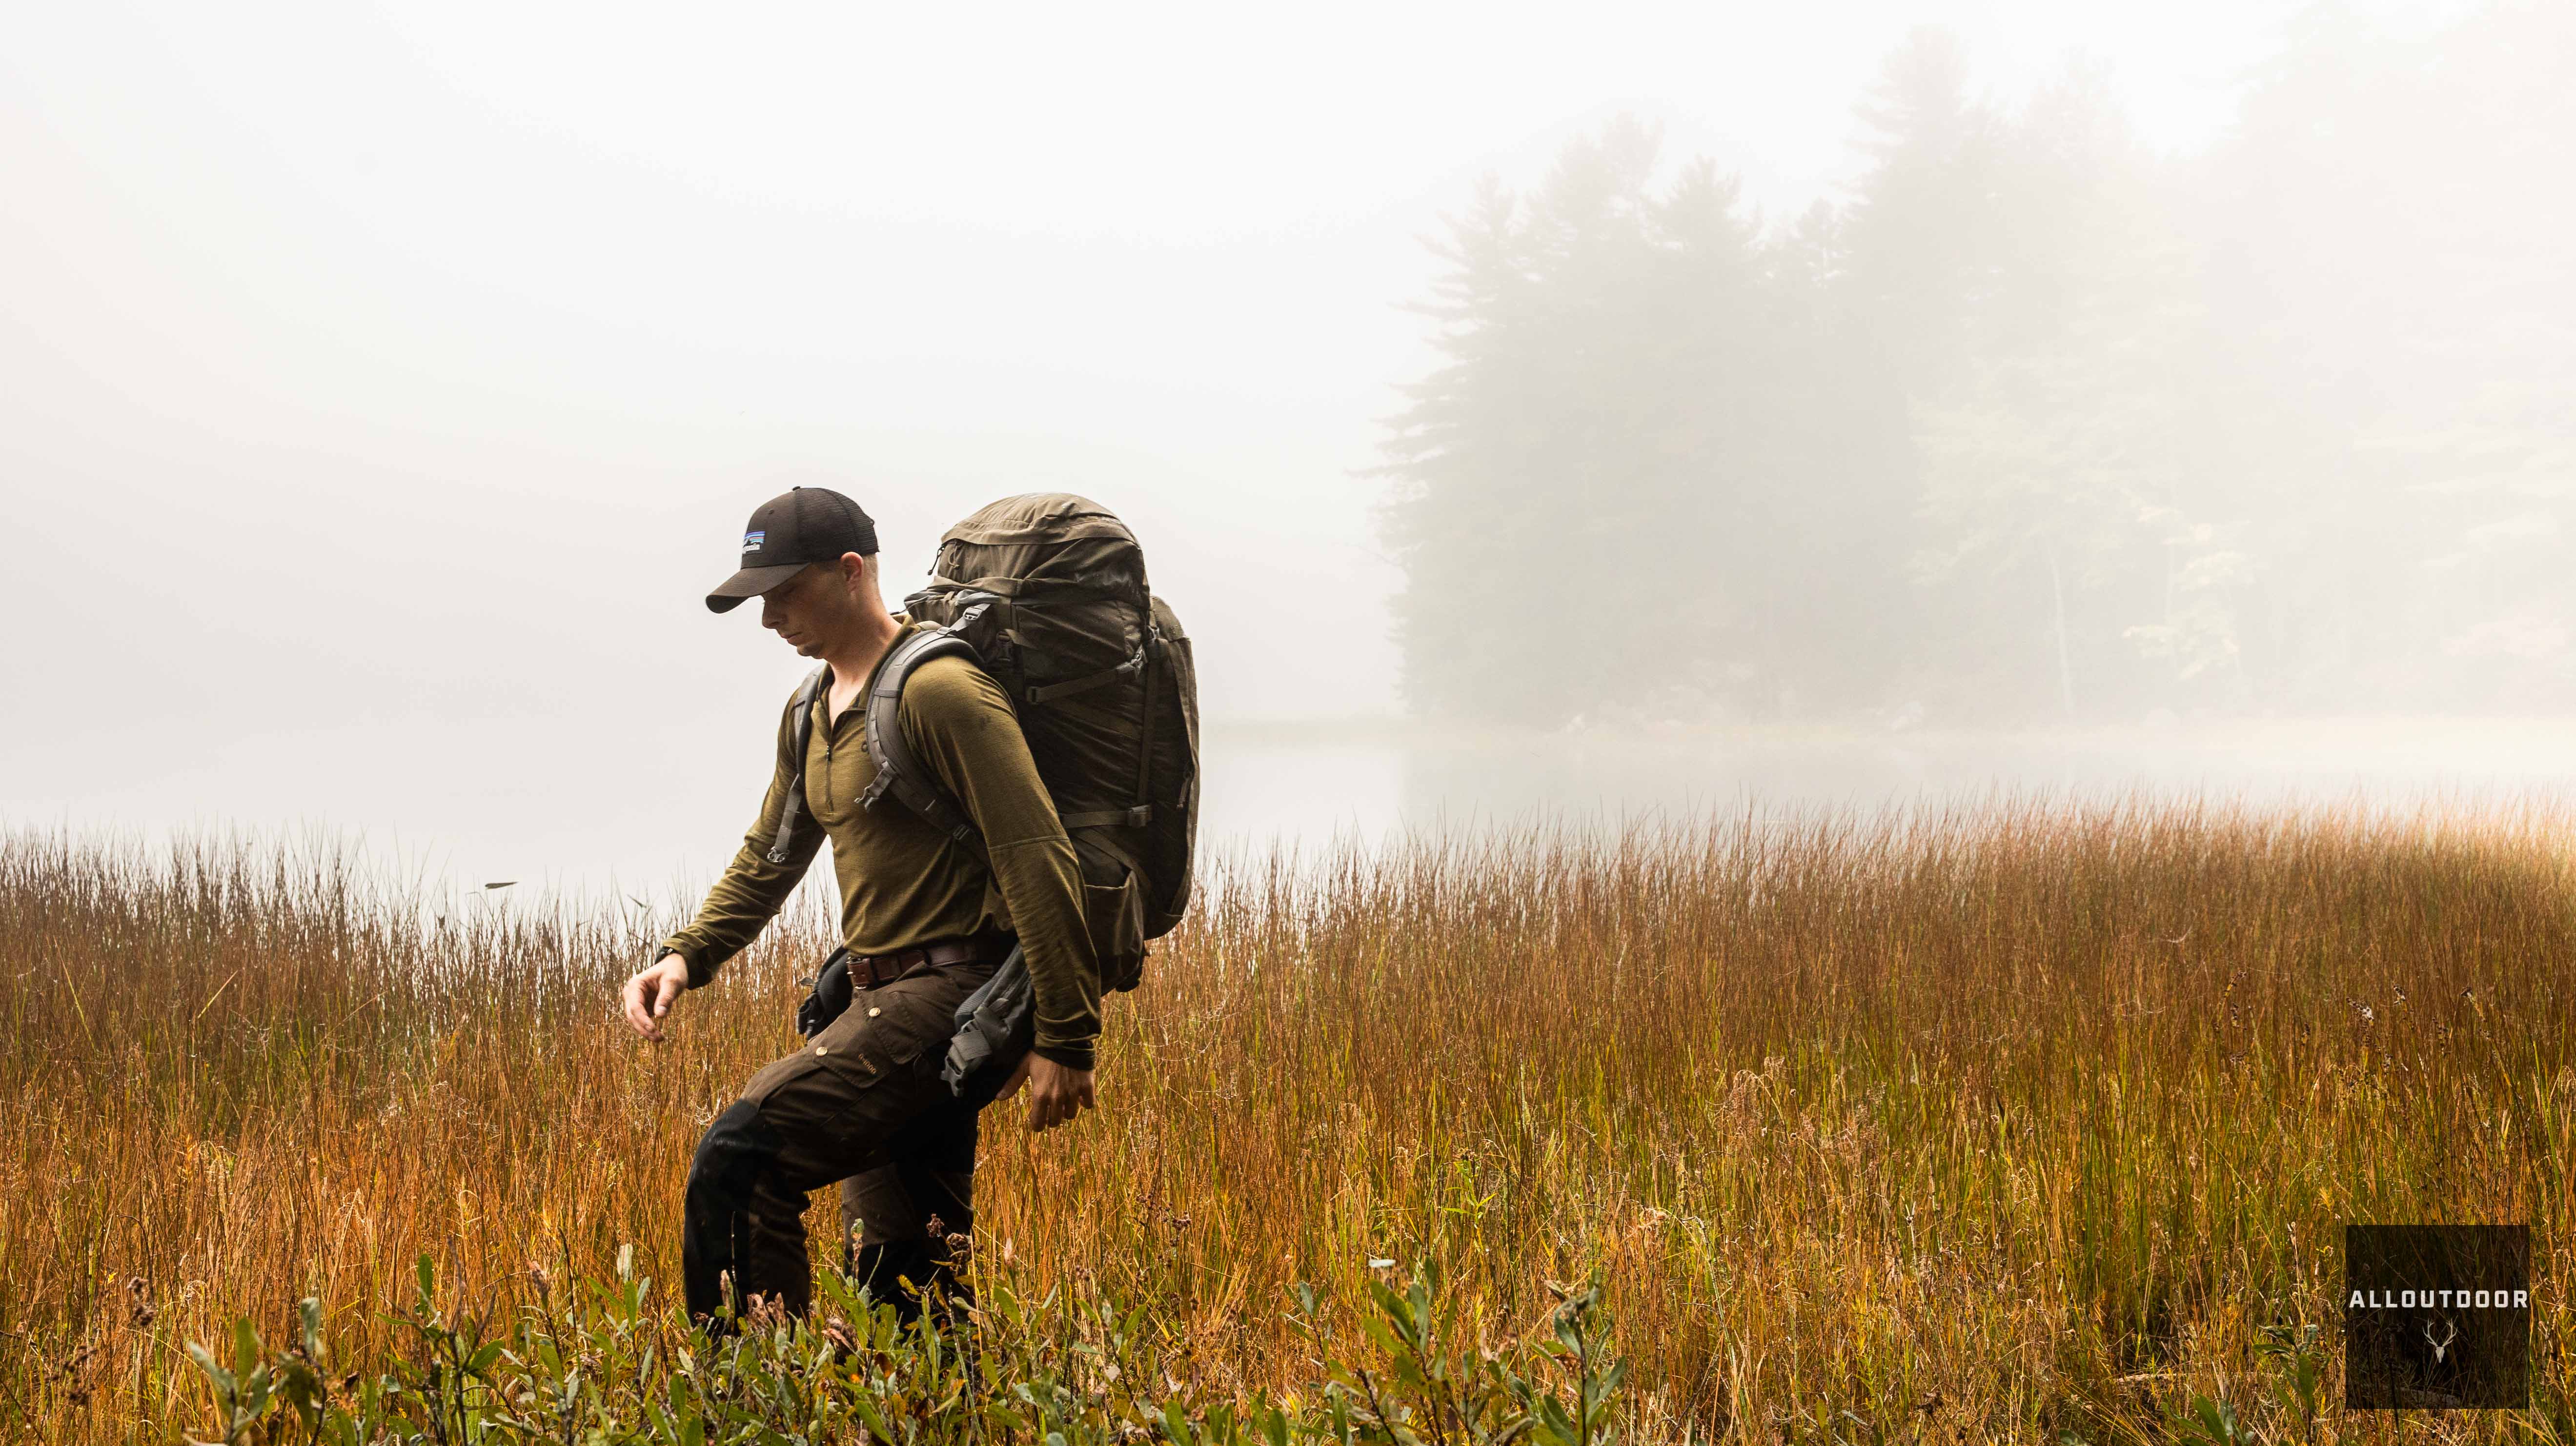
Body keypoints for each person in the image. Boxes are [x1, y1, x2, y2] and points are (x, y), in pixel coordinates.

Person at [616, 484, 1102, 1330]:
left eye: (784, 591)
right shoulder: (811, 709)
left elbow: (1037, 856)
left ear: (850, 572)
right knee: (907, 1286)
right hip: (878, 1003)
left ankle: (757, 1411)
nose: (770, 619)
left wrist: (1065, 1034)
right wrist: (686, 956)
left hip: (955, 1003)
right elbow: (770, 855)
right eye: (758, 599)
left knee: (739, 1159)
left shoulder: (940, 692)